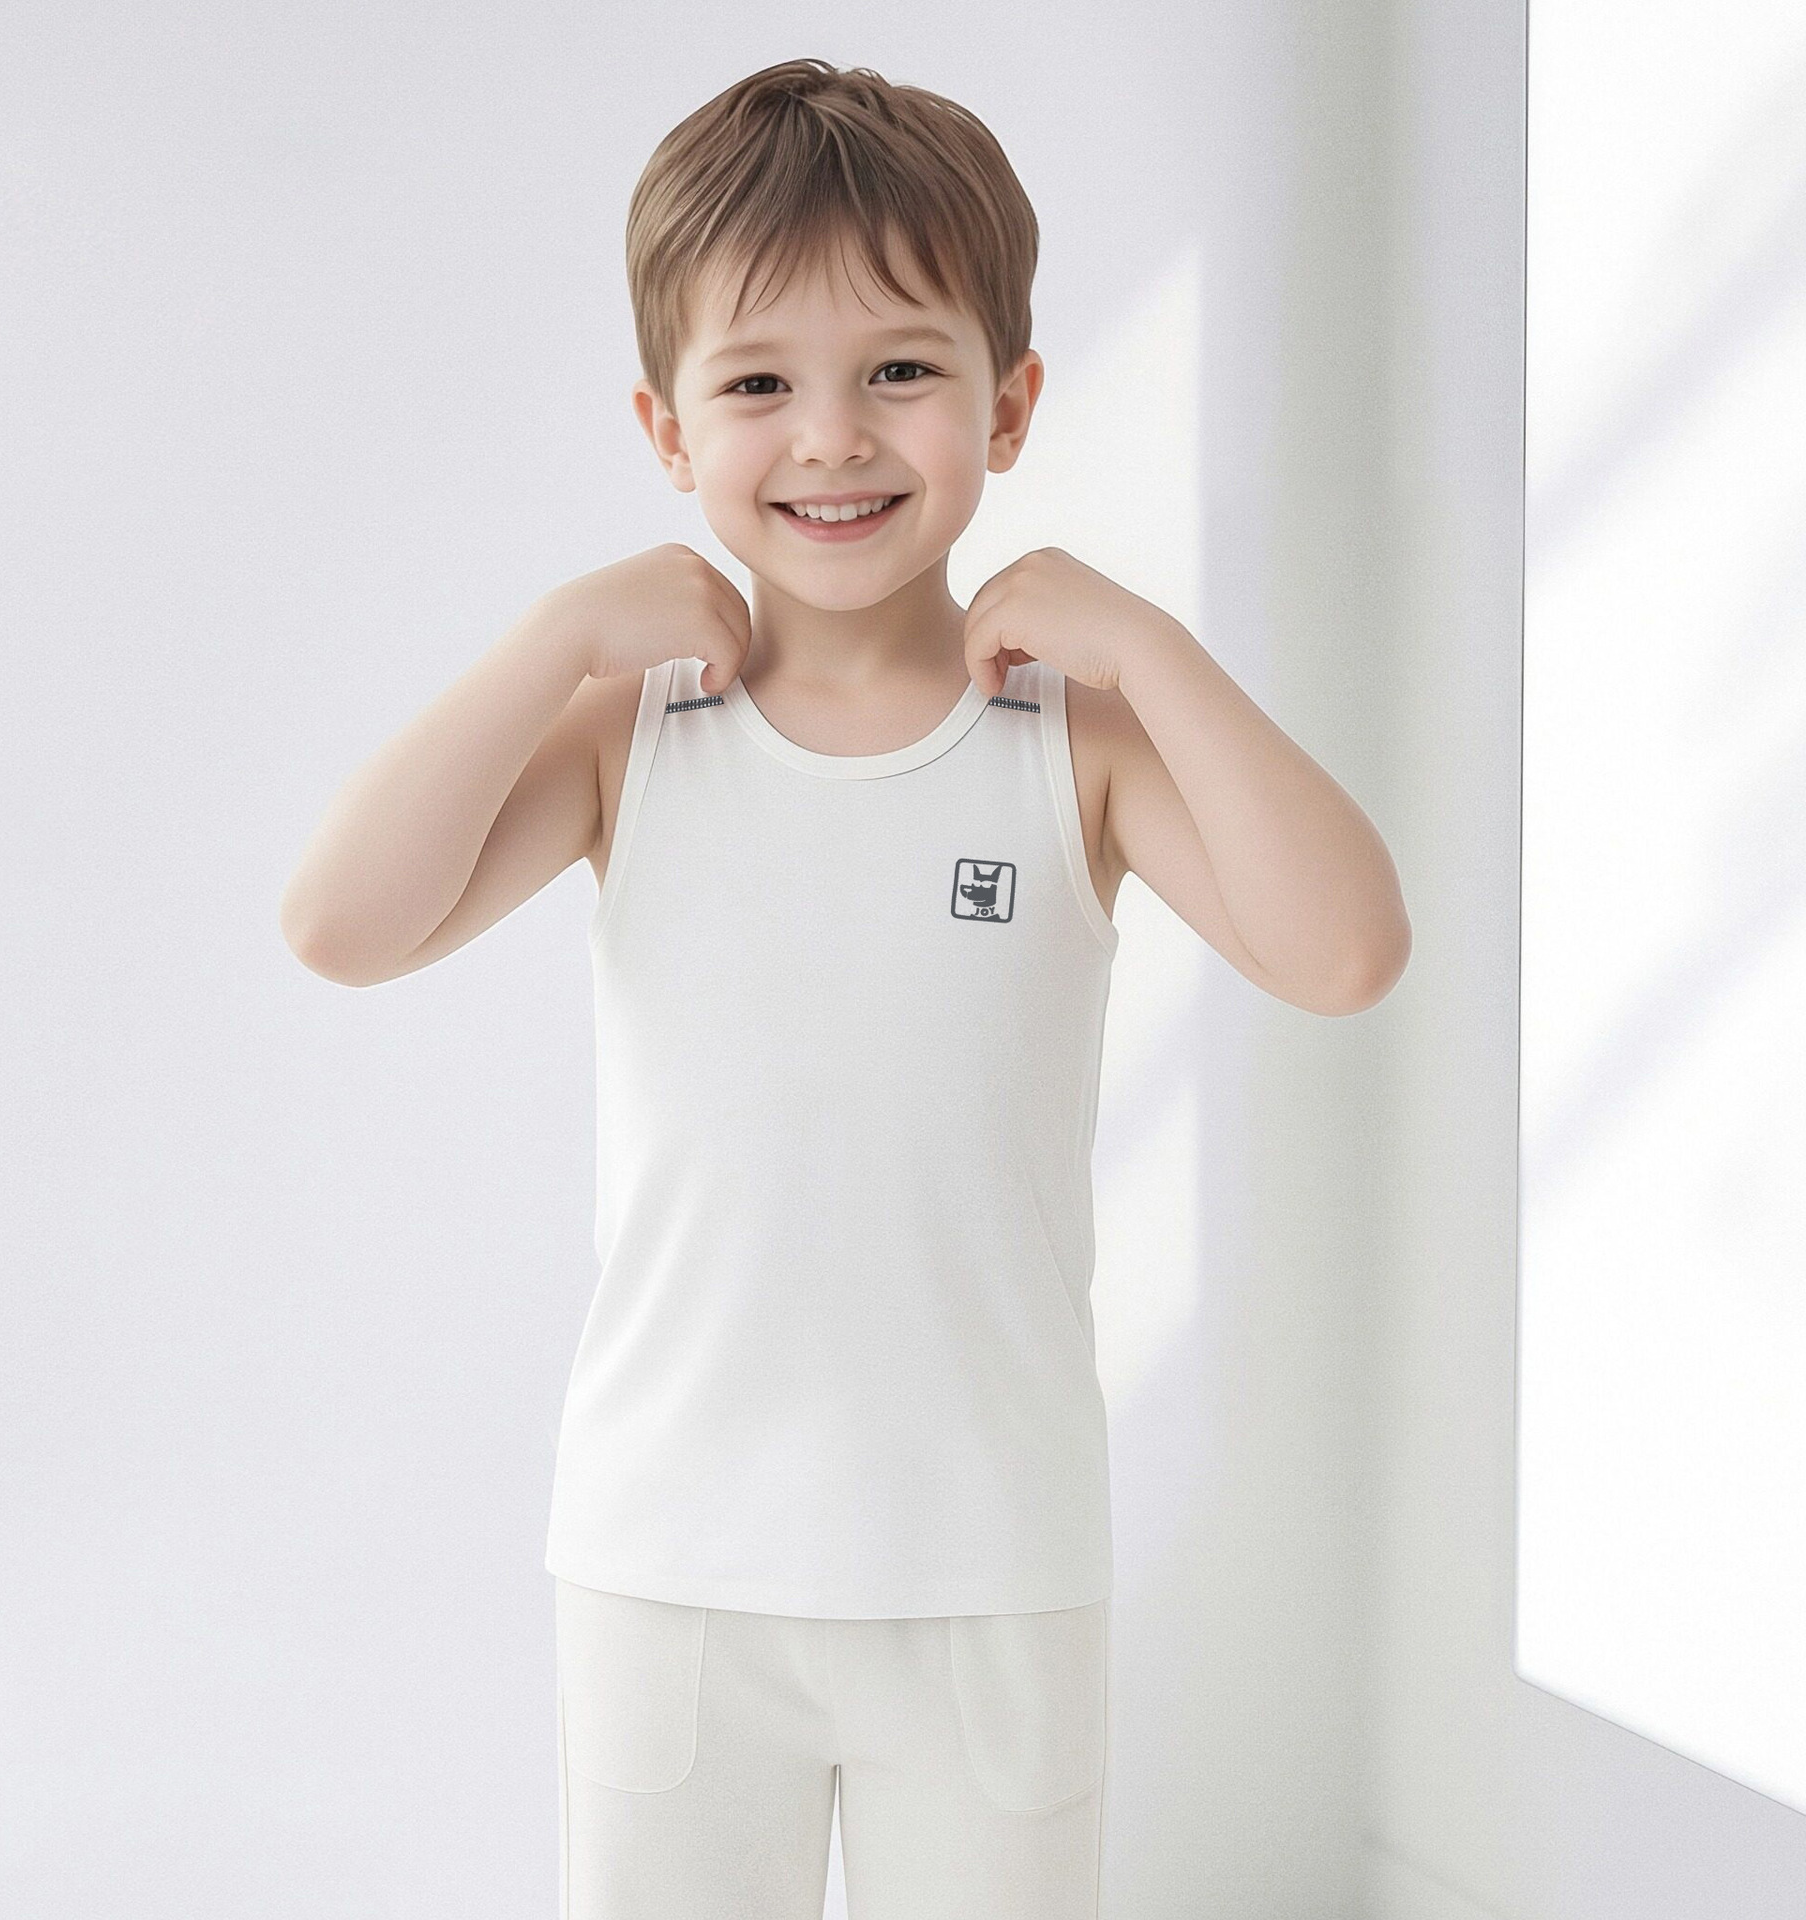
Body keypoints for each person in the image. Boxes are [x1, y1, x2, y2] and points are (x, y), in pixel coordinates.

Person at [280, 56, 1410, 1920]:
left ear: (1008, 402)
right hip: (667, 1574)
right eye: (757, 386)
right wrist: (556, 637)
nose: (831, 438)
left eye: (899, 370)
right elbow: (341, 922)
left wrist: (1153, 648)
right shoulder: (627, 738)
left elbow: (1347, 949)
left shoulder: (1078, 743)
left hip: (991, 1577)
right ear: (666, 431)